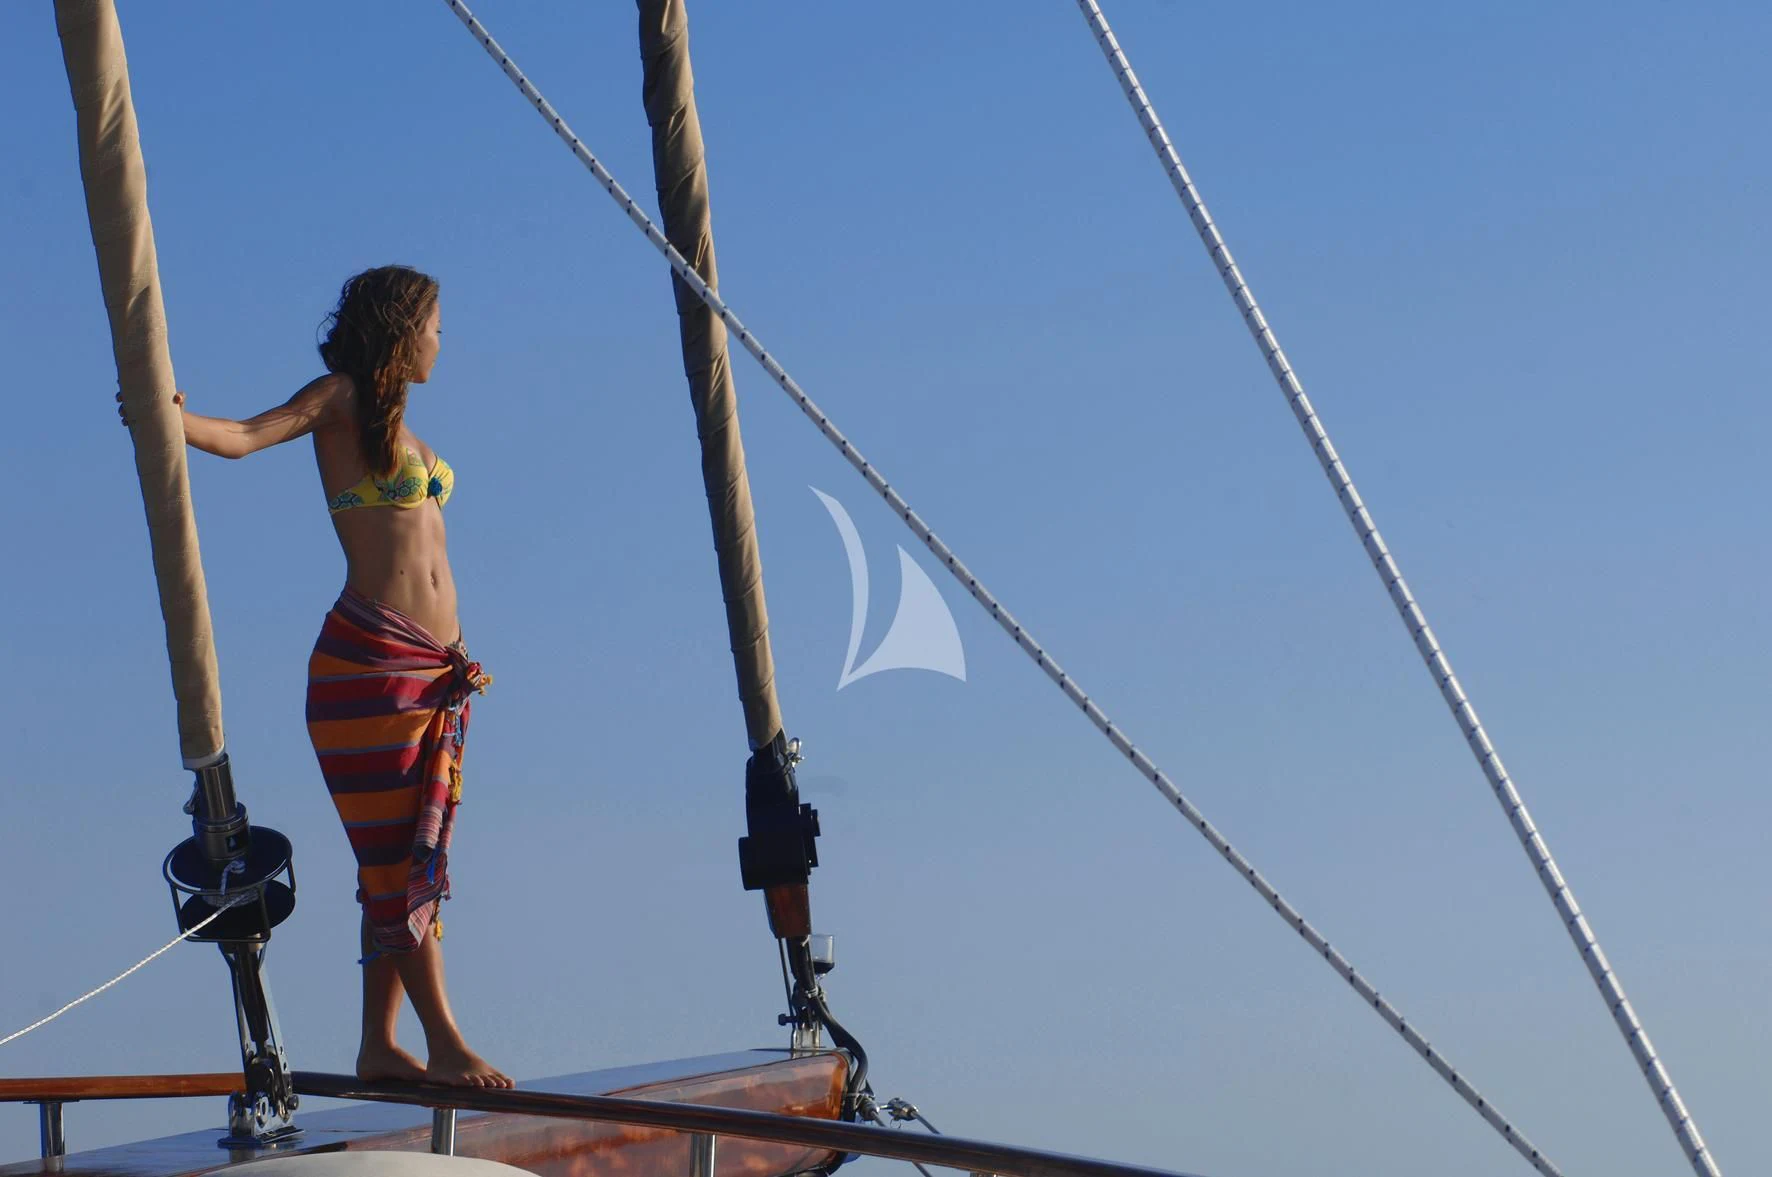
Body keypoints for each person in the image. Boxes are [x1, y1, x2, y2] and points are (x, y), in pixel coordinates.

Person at [117, 265, 512, 1089]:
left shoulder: (405, 430)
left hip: (428, 678)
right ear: (402, 329)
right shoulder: (339, 401)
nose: (445, 339)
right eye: (437, 323)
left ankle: (379, 1043)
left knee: (400, 864)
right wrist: (172, 419)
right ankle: (442, 1041)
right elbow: (250, 434)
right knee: (398, 869)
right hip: (368, 672)